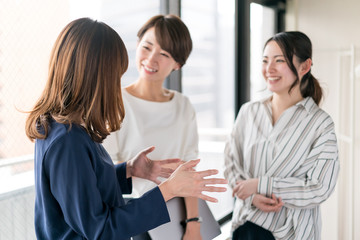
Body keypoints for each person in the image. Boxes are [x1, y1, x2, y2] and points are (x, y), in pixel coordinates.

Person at [25, 17, 227, 240]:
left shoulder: (63, 128)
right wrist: (168, 190)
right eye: (115, 74)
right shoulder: (67, 140)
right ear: (96, 75)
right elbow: (100, 229)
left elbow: (86, 186)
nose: (117, 83)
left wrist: (129, 170)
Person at [224, 31, 339, 240]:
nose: (269, 69)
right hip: (245, 227)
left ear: (304, 66)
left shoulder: (320, 124)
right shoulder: (249, 112)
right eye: (265, 60)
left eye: (279, 61)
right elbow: (231, 164)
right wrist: (251, 196)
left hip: (292, 234)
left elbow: (319, 188)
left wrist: (261, 184)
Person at [102, 14, 202, 240]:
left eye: (164, 54)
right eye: (147, 47)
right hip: (132, 214)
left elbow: (189, 167)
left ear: (178, 64)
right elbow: (104, 168)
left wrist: (194, 223)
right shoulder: (113, 100)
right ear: (137, 45)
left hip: (176, 216)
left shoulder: (183, 106)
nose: (151, 59)